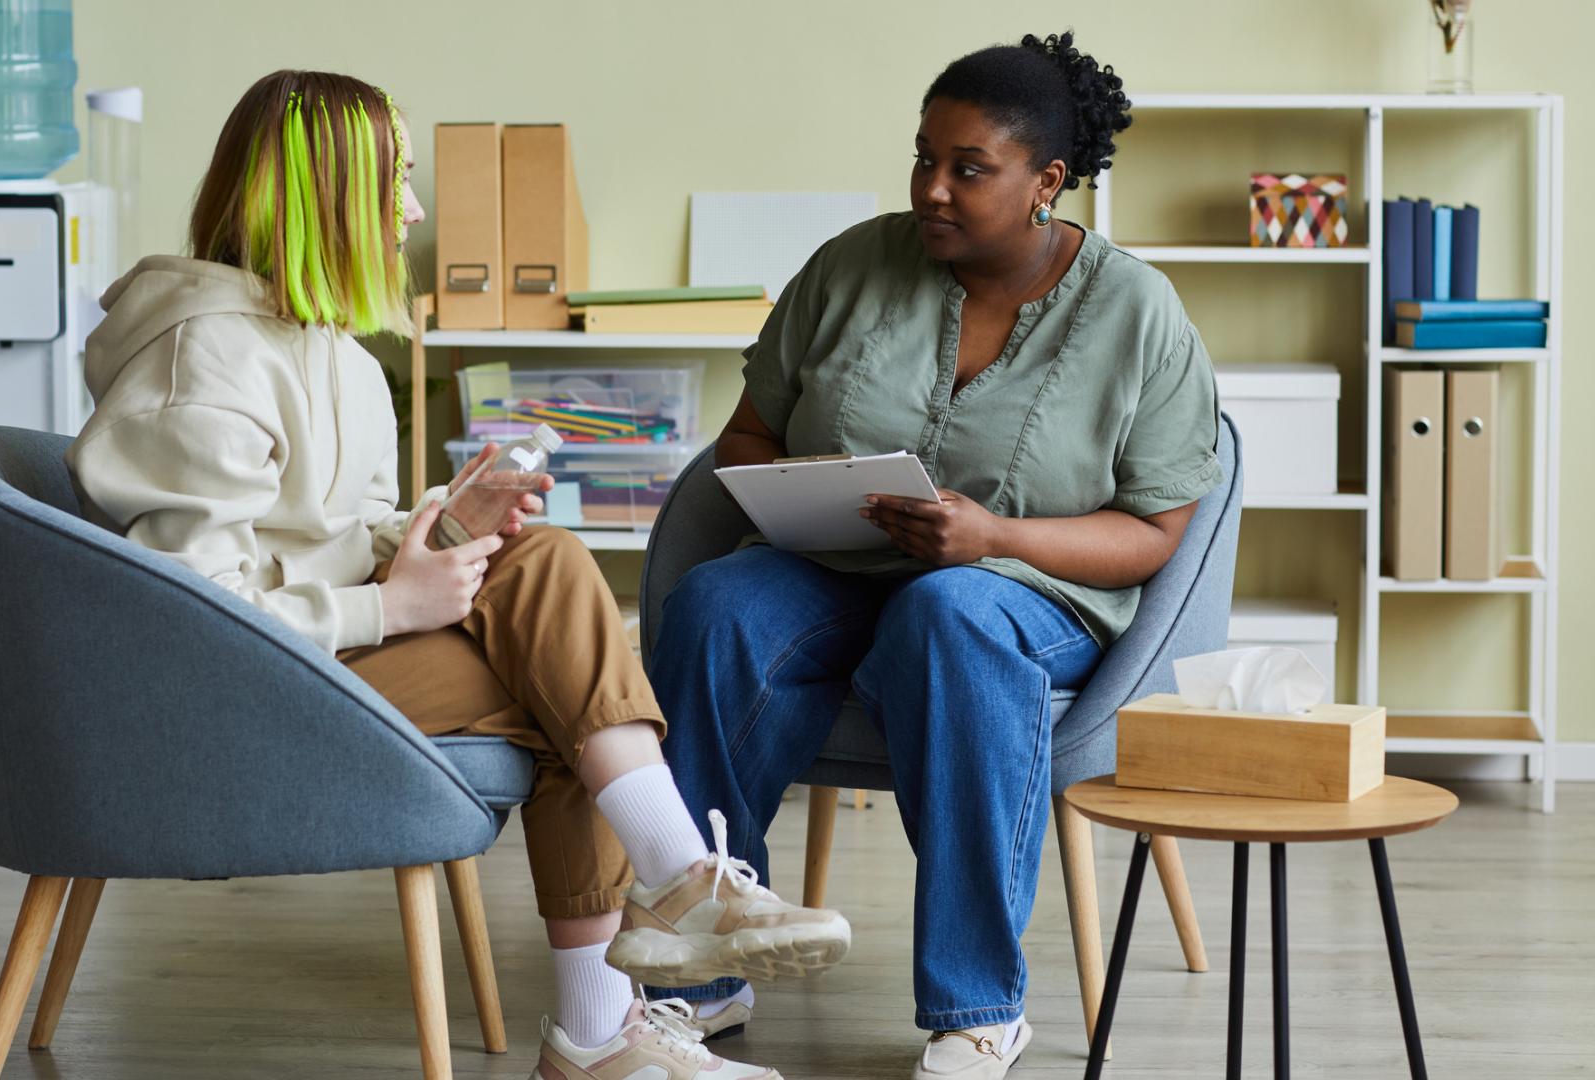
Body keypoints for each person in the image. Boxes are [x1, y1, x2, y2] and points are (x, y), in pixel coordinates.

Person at [63, 69, 848, 1080]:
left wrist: (425, 534)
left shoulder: (330, 349)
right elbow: (186, 619)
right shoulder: (204, 361)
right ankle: (633, 972)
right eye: (394, 183)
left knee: (552, 595)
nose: (416, 211)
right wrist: (392, 602)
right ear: (324, 197)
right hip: (223, 695)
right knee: (569, 682)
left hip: (315, 655)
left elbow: (319, 533)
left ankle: (641, 957)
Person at [646, 33, 1222, 1080]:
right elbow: (747, 436)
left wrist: (991, 537)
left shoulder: (1138, 311)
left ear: (1048, 181)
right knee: (714, 605)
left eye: (969, 169)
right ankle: (702, 967)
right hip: (838, 567)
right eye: (923, 158)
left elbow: (1157, 532)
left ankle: (978, 1008)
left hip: (1029, 592)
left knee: (948, 614)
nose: (933, 189)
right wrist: (795, 505)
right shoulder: (850, 267)